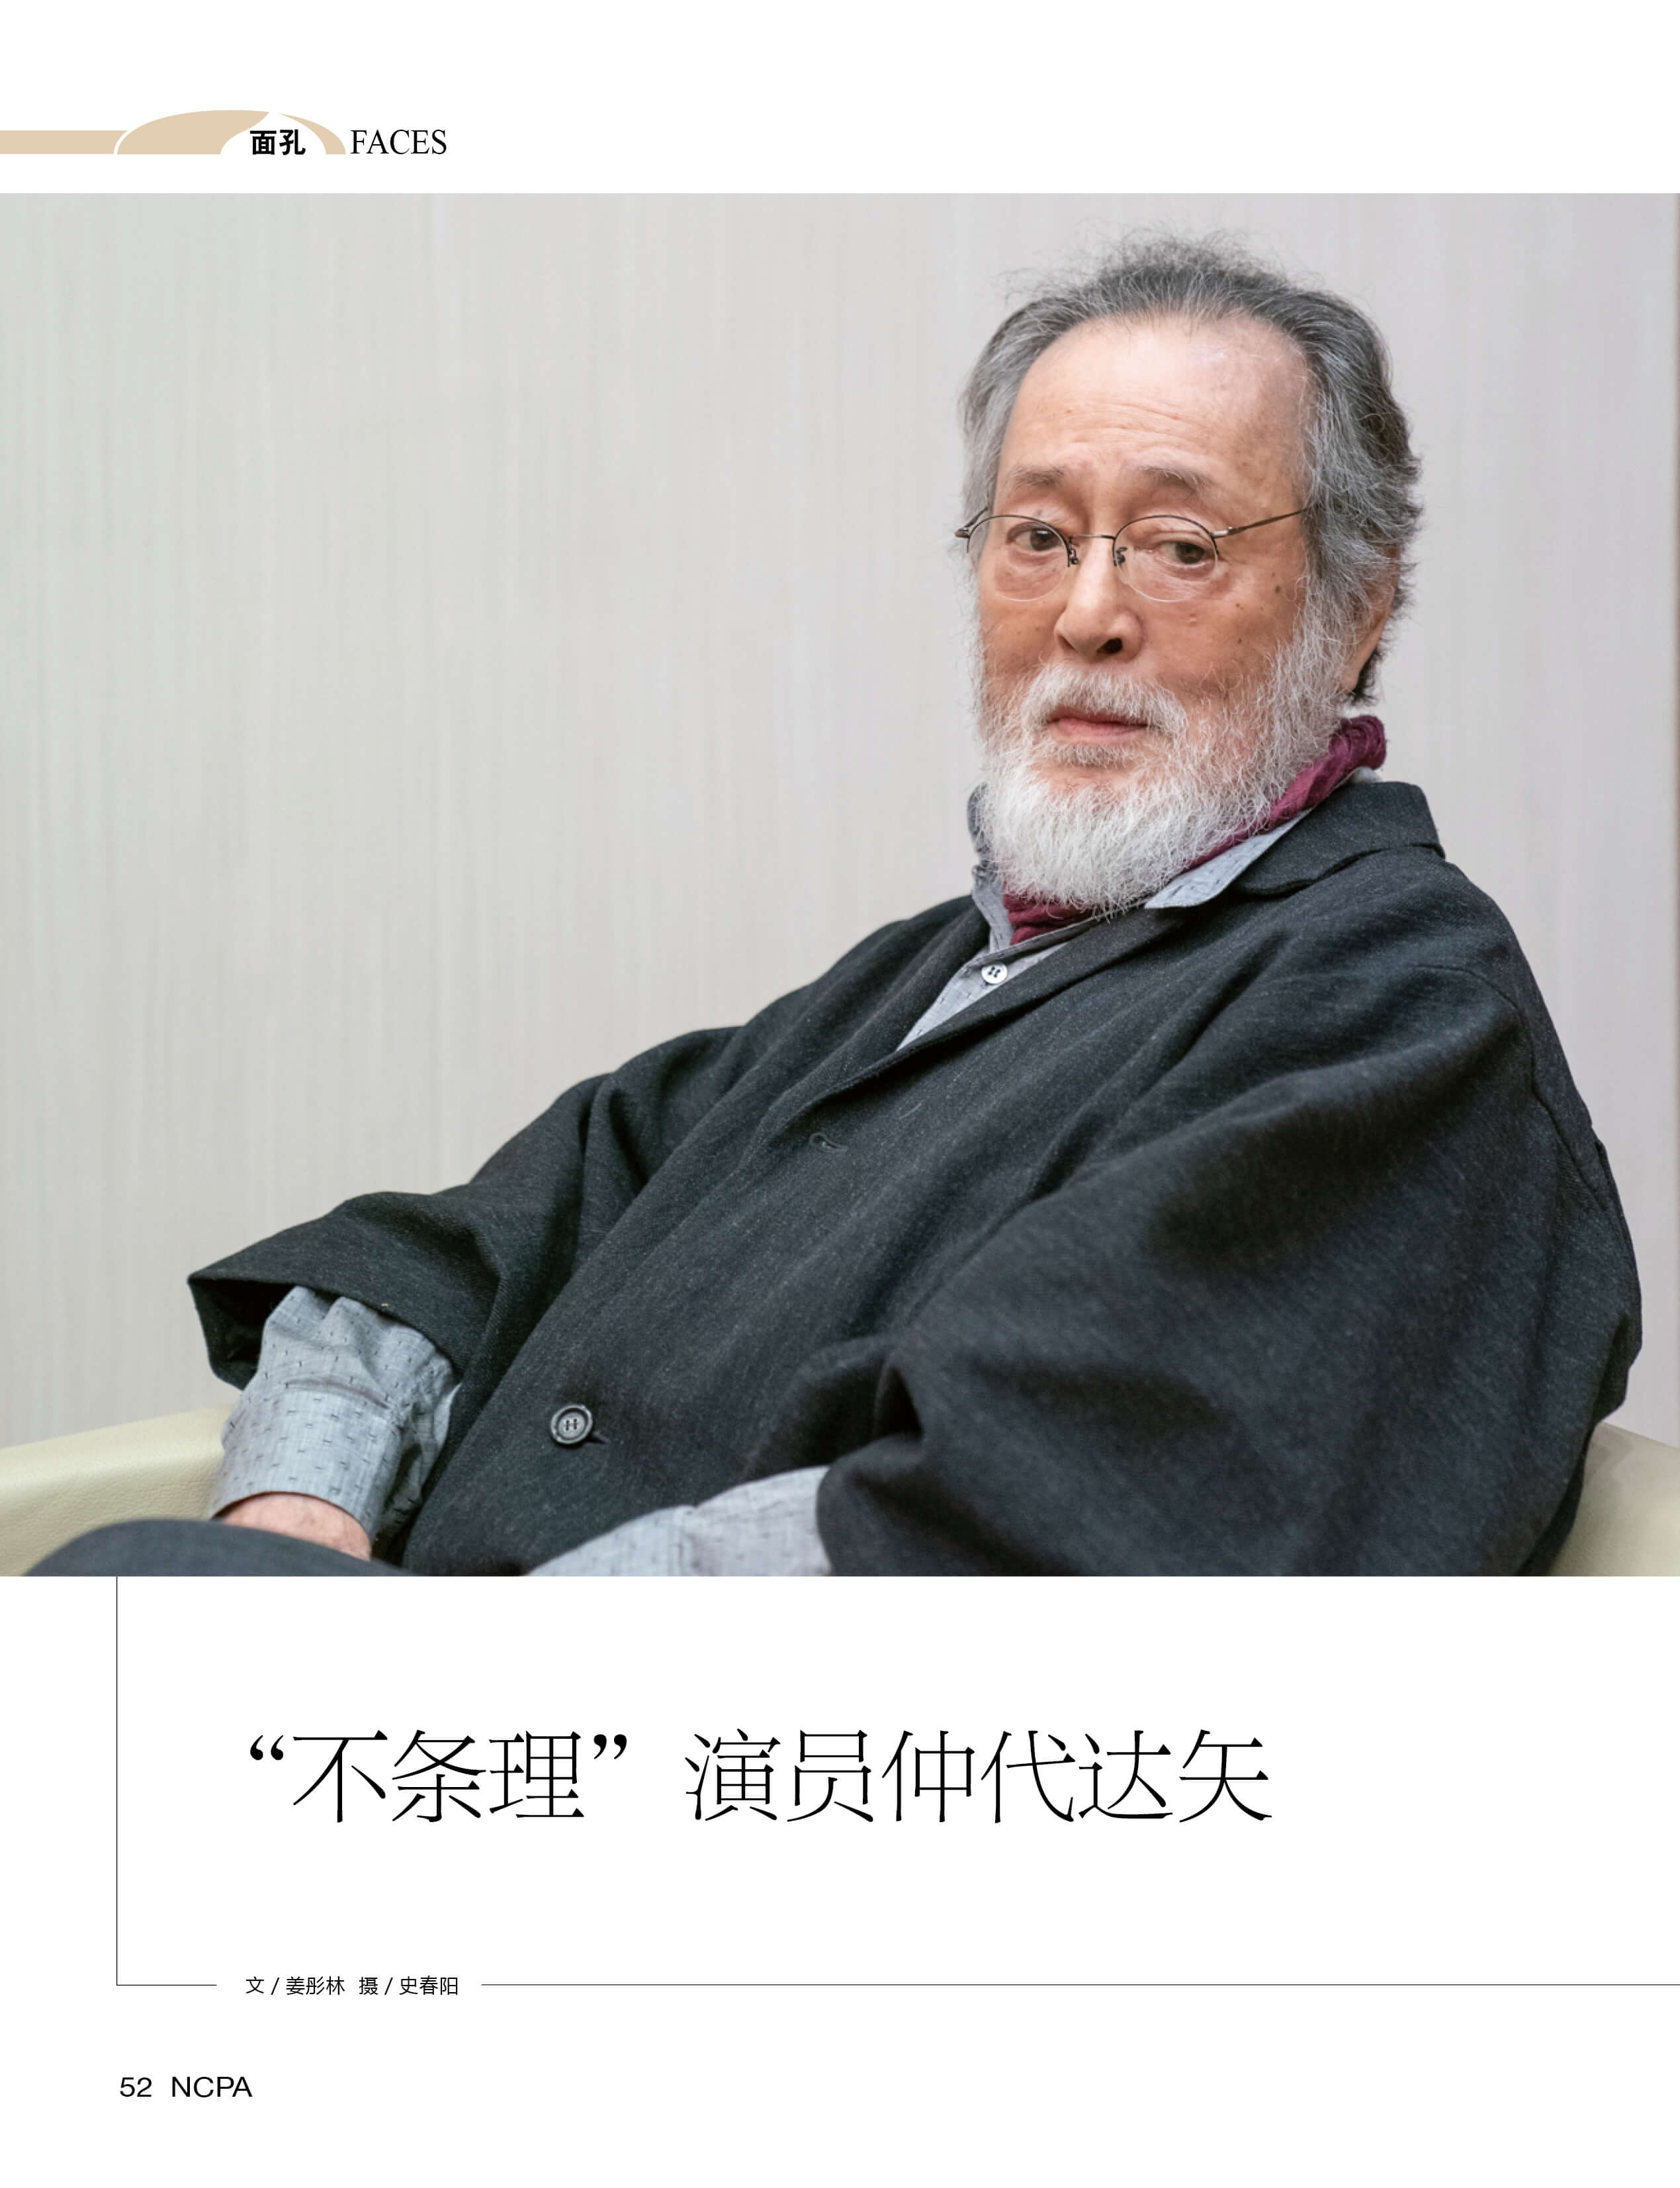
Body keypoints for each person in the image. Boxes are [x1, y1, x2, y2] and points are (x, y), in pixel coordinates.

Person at [34, 234, 1639, 1579]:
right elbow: (468, 1249)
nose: (1086, 614)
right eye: (1036, 536)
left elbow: (1054, 1540)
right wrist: (302, 1506)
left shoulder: (1395, 1006)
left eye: (1175, 543)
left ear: (1357, 607)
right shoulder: (933, 977)